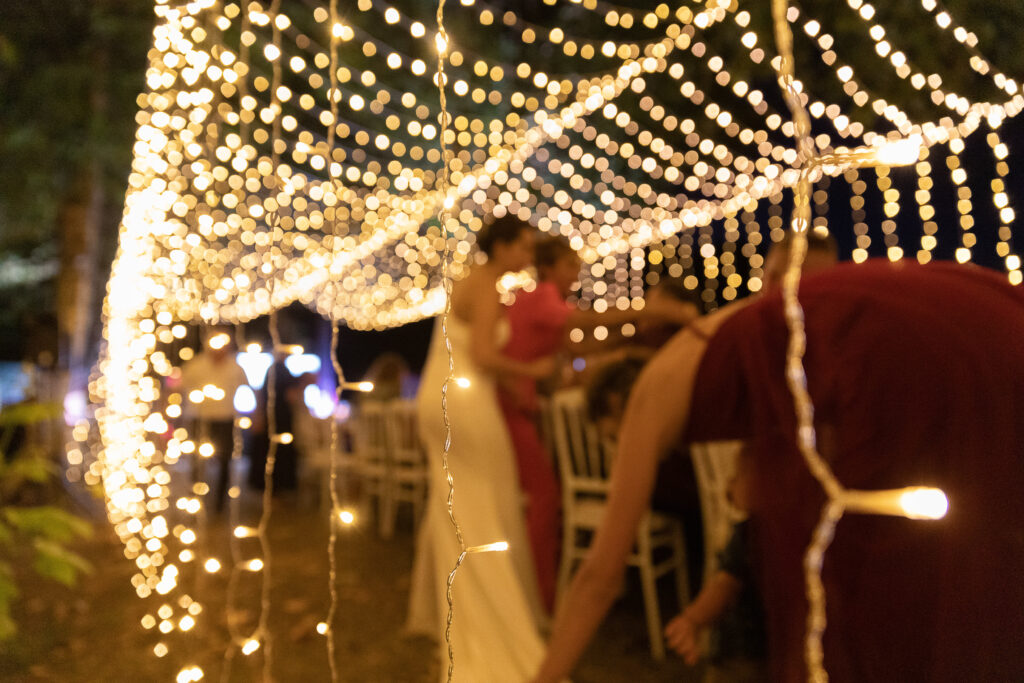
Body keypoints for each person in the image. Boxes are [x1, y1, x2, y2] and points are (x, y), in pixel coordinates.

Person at [532, 259, 1024, 683]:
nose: (621, 451)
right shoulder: (717, 350)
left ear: (614, 405)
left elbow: (600, 576)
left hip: (876, 346)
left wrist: (545, 676)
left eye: (612, 439)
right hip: (924, 311)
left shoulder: (647, 400)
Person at [499, 236, 699, 613]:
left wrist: (627, 342)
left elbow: (579, 348)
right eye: (569, 265)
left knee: (544, 496)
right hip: (511, 402)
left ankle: (543, 588)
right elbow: (587, 321)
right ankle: (539, 596)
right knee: (545, 498)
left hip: (523, 403)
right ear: (548, 268)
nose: (576, 273)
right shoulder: (542, 296)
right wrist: (654, 312)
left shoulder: (545, 304)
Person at [407, 214, 555, 683]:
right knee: (483, 508)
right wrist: (535, 373)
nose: (529, 256)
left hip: (438, 397)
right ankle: (489, 620)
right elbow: (485, 357)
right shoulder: (489, 285)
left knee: (453, 507)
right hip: (465, 404)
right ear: (503, 246)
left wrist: (513, 389)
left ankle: (454, 615)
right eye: (524, 246)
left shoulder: (463, 280)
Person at [664, 447, 767, 683]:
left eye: (738, 474)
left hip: (740, 656)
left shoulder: (747, 535)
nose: (729, 483)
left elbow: (724, 586)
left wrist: (693, 619)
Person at [179, 328, 247, 513]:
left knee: (225, 461)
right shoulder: (196, 365)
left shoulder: (235, 367)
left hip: (225, 420)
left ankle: (220, 504)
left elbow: (248, 388)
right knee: (197, 461)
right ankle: (195, 499)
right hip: (199, 419)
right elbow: (178, 388)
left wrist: (256, 414)